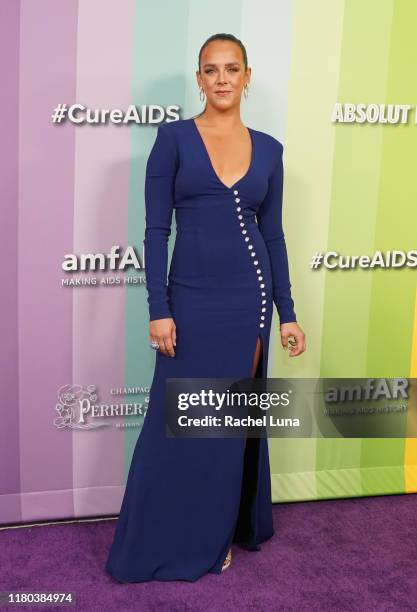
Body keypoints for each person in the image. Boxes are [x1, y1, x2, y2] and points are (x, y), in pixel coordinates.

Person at [105, 32, 306, 584]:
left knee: (224, 432)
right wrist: (159, 308)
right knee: (178, 427)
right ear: (199, 79)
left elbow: (275, 236)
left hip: (249, 304)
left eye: (232, 69)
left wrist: (286, 312)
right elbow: (154, 231)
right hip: (189, 305)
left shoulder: (269, 149)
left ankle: (217, 533)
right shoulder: (172, 140)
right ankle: (163, 535)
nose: (222, 79)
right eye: (211, 69)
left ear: (247, 77)